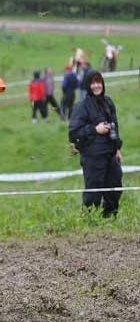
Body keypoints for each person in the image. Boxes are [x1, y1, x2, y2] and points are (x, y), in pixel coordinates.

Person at [68, 69, 123, 218]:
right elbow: (74, 133)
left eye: (98, 82)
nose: (96, 86)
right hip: (92, 157)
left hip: (110, 154)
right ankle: (90, 220)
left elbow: (114, 125)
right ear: (87, 86)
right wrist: (95, 129)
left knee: (115, 187)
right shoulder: (81, 107)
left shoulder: (108, 102)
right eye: (92, 83)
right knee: (94, 191)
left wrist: (117, 148)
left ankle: (110, 218)